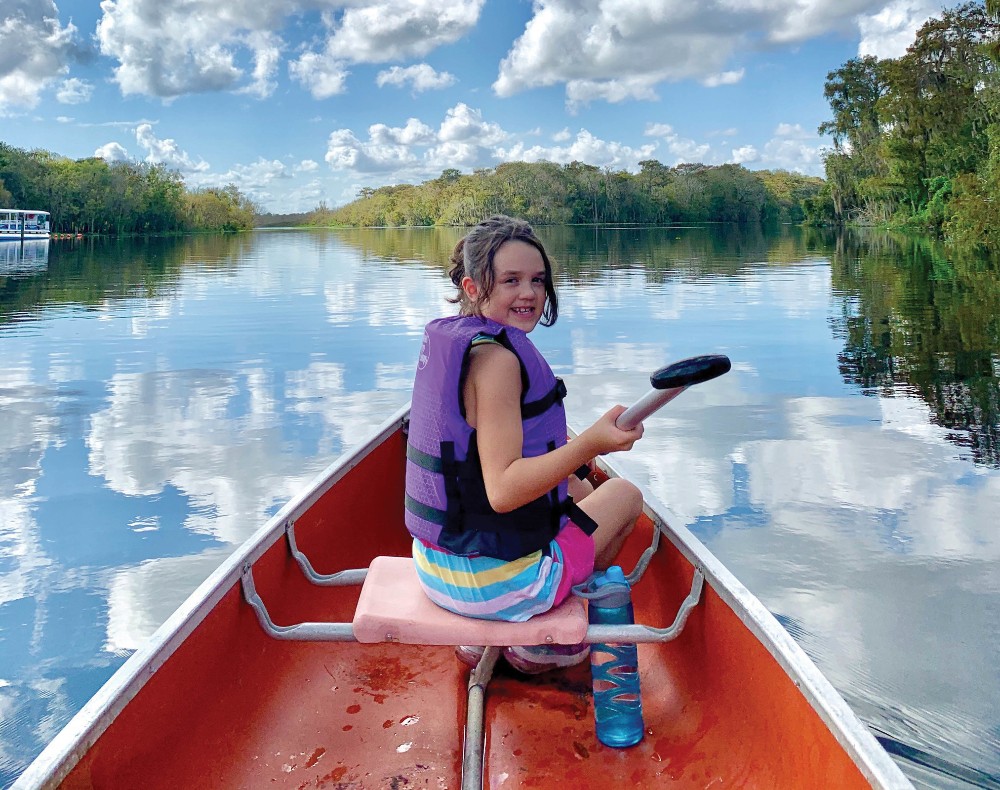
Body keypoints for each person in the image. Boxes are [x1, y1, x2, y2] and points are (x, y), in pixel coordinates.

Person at [404, 215, 644, 672]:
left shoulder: (464, 346)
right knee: (625, 497)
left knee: (582, 495)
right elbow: (503, 491)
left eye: (537, 280)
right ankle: (539, 643)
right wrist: (591, 443)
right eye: (511, 281)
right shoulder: (498, 362)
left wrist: (569, 455)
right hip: (494, 588)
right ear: (474, 287)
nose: (530, 294)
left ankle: (495, 637)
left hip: (436, 572)